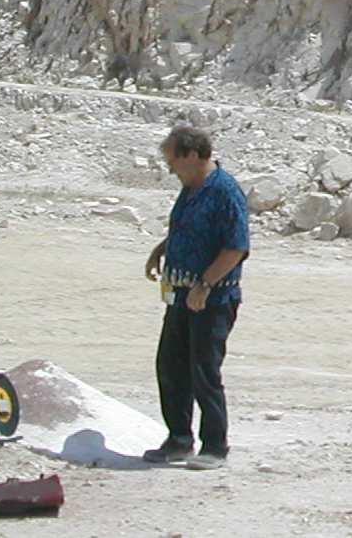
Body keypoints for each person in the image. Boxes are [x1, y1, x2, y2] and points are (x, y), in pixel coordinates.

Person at [143, 124, 250, 470]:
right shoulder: (191, 188)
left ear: (191, 155)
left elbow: (235, 248)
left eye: (173, 160)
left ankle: (215, 446)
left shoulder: (225, 192)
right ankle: (178, 440)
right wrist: (161, 249)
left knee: (204, 371)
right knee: (170, 366)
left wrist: (204, 286)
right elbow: (186, 229)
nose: (170, 168)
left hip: (212, 300)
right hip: (180, 295)